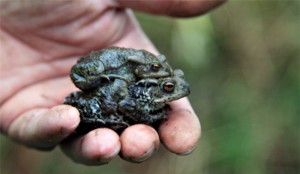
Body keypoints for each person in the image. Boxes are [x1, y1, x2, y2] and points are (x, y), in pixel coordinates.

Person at [0, 0, 225, 165]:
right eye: (168, 86)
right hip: (95, 88)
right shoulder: (126, 78)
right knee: (90, 115)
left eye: (169, 81)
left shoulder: (139, 80)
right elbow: (124, 101)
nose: (169, 83)